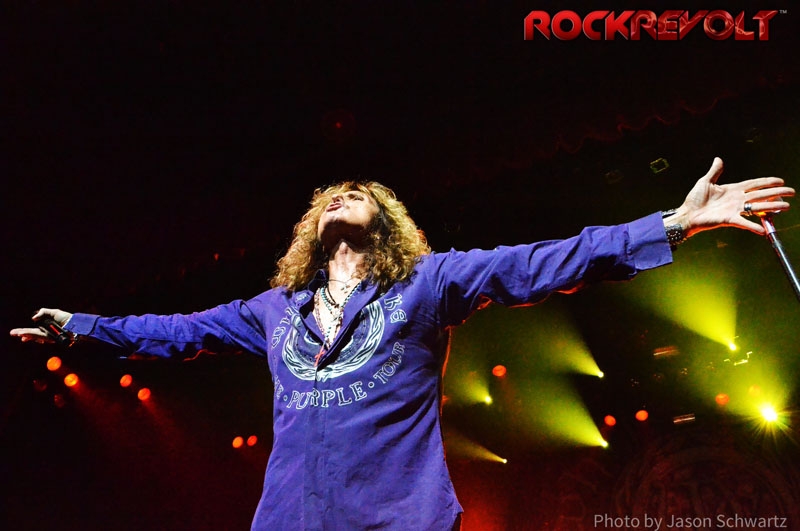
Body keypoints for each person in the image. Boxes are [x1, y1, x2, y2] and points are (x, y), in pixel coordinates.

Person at [10, 158, 794, 530]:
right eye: (329, 196)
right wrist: (80, 326)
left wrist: (673, 223)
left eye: (360, 194)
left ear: (387, 223)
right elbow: (175, 333)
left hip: (395, 521)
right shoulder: (274, 310)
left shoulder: (428, 284)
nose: (342, 196)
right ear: (311, 228)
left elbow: (547, 260)